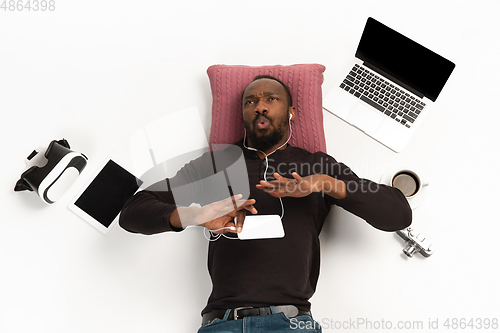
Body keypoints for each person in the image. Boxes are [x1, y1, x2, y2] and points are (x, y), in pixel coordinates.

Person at [119, 75, 412, 332]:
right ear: (244, 115)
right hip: (222, 323)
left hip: (291, 323)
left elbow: (398, 214)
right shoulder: (216, 164)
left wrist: (326, 183)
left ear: (291, 112)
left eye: (271, 99)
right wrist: (194, 215)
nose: (260, 106)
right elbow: (132, 212)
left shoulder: (317, 165)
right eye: (250, 101)